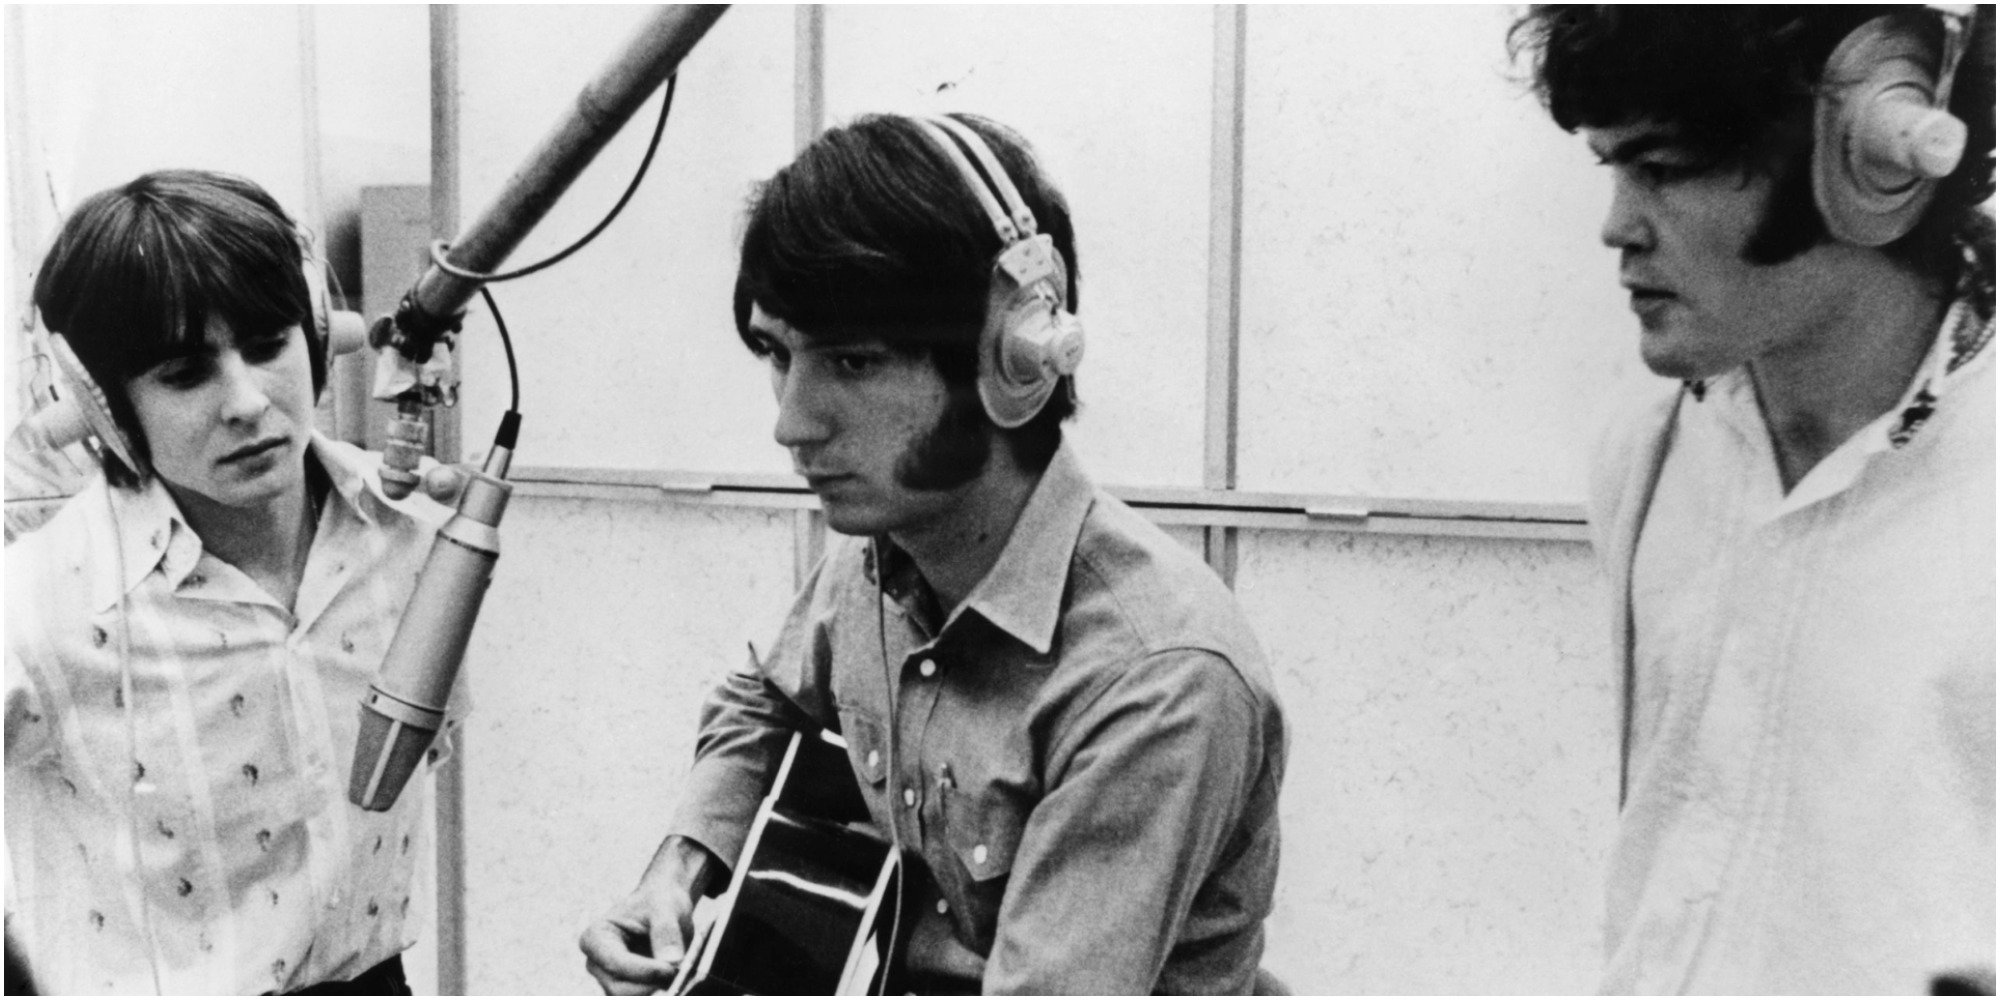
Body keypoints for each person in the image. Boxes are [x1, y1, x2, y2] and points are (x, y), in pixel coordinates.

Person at [578, 112, 1288, 995]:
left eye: (852, 364)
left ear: (1015, 361)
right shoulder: (880, 551)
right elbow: (765, 699)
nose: (790, 424)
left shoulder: (1158, 682)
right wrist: (677, 870)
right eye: (777, 354)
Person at [1510, 6, 1995, 994]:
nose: (1615, 225)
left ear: (1867, 155)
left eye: (1662, 166)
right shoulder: (1644, 453)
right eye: (1609, 167)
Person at [4, 170, 452, 994]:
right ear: (104, 406)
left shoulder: (411, 538)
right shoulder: (38, 608)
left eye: (268, 344)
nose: (247, 402)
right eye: (184, 375)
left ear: (315, 332)